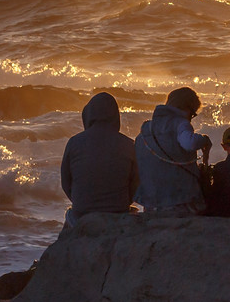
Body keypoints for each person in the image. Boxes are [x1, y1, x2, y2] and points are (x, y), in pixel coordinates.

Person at [60, 91, 138, 221]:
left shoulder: (74, 142)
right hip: (118, 213)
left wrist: (82, 202)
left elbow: (66, 182)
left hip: (82, 214)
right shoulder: (129, 144)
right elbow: (136, 185)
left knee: (69, 216)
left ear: (88, 115)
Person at [134, 86, 211, 215]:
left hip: (151, 201)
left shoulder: (147, 128)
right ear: (186, 108)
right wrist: (204, 140)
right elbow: (190, 143)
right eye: (192, 114)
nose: (190, 119)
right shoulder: (180, 123)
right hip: (179, 200)